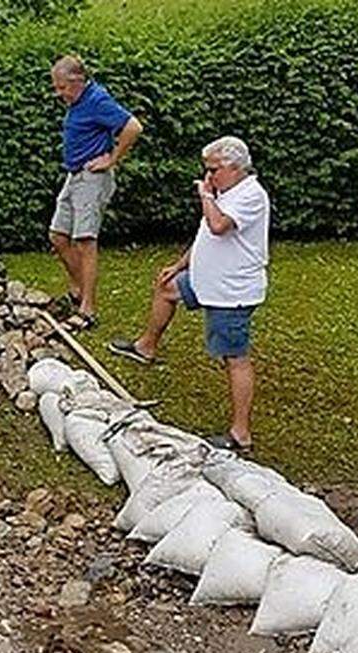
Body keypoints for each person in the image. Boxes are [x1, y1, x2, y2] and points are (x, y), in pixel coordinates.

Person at [108, 136, 270, 453]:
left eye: (214, 169)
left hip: (230, 290)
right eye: (206, 170)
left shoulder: (250, 195)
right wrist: (180, 265)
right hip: (205, 277)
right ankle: (146, 347)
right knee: (167, 288)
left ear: (236, 167)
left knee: (234, 358)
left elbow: (219, 225)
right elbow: (204, 236)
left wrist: (206, 196)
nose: (208, 176)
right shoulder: (226, 190)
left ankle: (241, 434)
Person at [49, 55, 143, 329]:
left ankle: (88, 309)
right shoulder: (79, 101)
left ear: (77, 81)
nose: (59, 93)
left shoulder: (97, 100)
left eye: (62, 87)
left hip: (91, 178)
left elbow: (133, 127)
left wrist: (112, 159)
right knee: (57, 236)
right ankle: (79, 291)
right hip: (74, 175)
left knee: (85, 241)